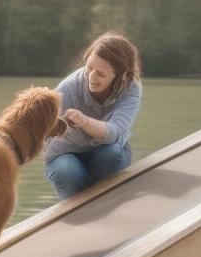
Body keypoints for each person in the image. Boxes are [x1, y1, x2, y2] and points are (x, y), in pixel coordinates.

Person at [43, 32, 142, 199]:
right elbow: (43, 137)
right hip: (64, 154)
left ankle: (105, 200)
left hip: (104, 149)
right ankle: (77, 208)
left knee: (111, 155)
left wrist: (84, 121)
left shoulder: (131, 87)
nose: (91, 77)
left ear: (121, 76)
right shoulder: (66, 90)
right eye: (89, 67)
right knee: (68, 173)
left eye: (101, 74)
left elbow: (116, 133)